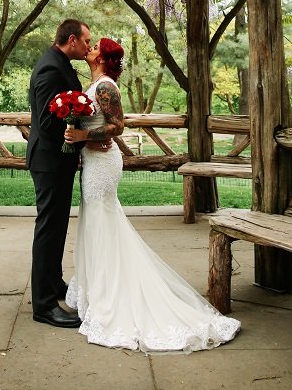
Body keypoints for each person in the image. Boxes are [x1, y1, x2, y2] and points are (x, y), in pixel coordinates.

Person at [64, 38, 241, 353]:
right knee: (96, 222)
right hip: (92, 160)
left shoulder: (107, 87)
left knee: (103, 223)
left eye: (95, 47)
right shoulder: (93, 85)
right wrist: (79, 135)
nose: (89, 48)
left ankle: (112, 295)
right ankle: (98, 290)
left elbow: (118, 126)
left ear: (103, 58)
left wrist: (83, 135)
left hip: (104, 164)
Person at [26, 18, 91, 328]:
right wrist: (77, 129)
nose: (89, 46)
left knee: (57, 228)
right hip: (49, 161)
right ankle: (43, 305)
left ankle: (54, 284)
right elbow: (48, 120)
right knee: (48, 230)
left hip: (59, 162)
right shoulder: (51, 68)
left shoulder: (60, 62)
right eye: (86, 41)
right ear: (72, 40)